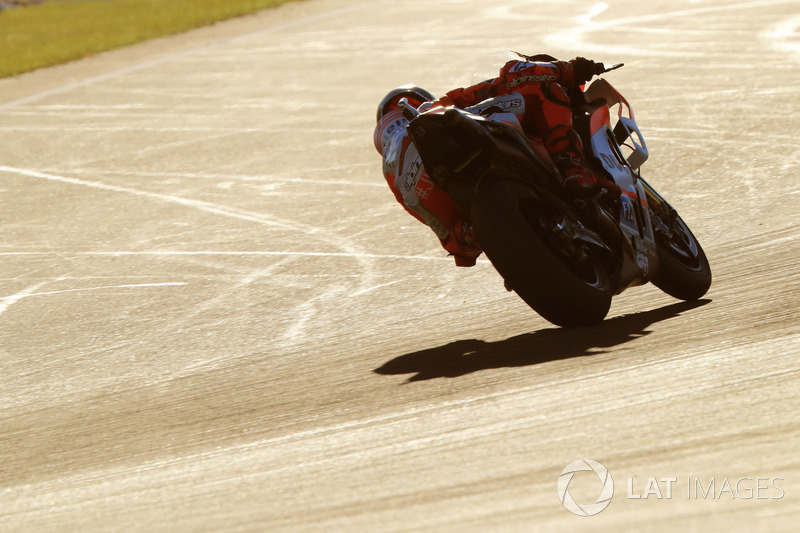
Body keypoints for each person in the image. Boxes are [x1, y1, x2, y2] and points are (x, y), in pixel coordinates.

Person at [373, 53, 615, 267]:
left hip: (459, 209)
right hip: (483, 141)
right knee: (541, 87)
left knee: (458, 233)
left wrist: (475, 235)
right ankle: (572, 164)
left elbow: (449, 237)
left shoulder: (394, 174)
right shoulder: (436, 108)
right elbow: (502, 82)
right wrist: (570, 69)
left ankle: (481, 233)